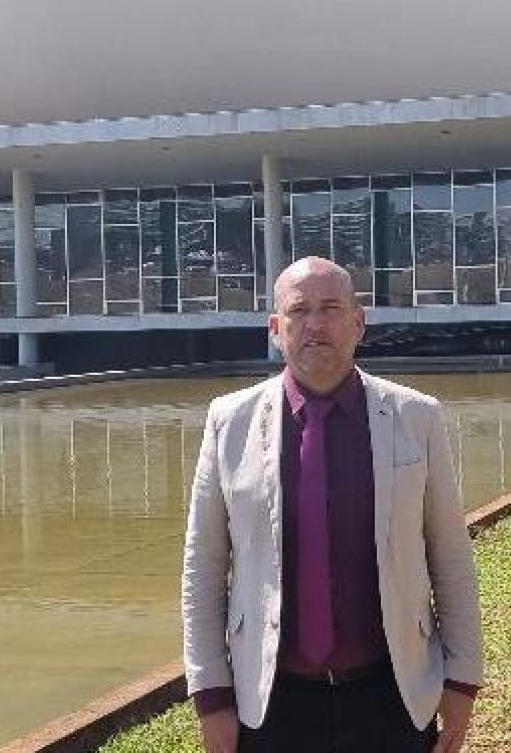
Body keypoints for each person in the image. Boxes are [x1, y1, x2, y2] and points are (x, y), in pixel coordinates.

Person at [182, 256, 484, 753]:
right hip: (271, 702)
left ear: (358, 323)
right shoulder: (229, 422)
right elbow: (204, 568)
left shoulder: (416, 417)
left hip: (392, 694)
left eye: (330, 308)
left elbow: (450, 556)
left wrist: (462, 680)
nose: (315, 324)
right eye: (299, 310)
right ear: (276, 329)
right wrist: (211, 697)